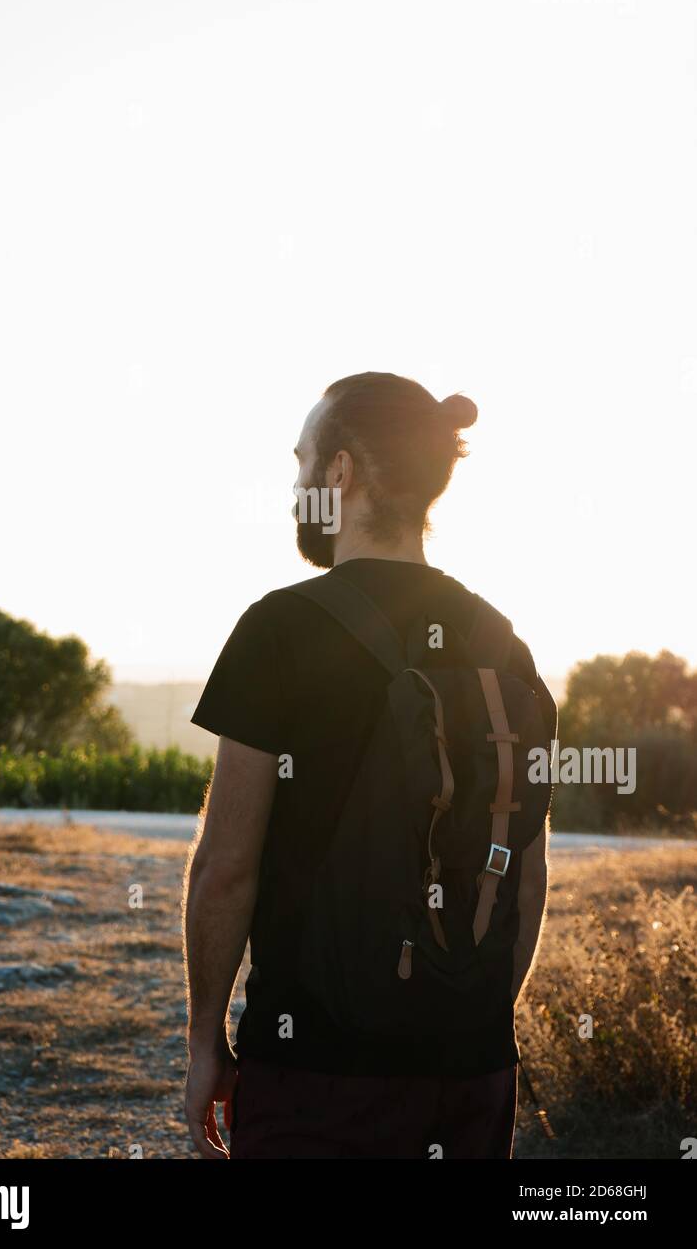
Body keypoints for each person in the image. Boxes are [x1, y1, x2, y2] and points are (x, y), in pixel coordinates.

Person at [183, 371, 555, 1159]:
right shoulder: (503, 642)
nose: (296, 485)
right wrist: (471, 1022)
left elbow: (224, 868)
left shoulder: (278, 630)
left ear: (340, 472)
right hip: (471, 1076)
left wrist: (203, 1039)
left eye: (301, 462)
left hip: (315, 1070)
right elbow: (523, 874)